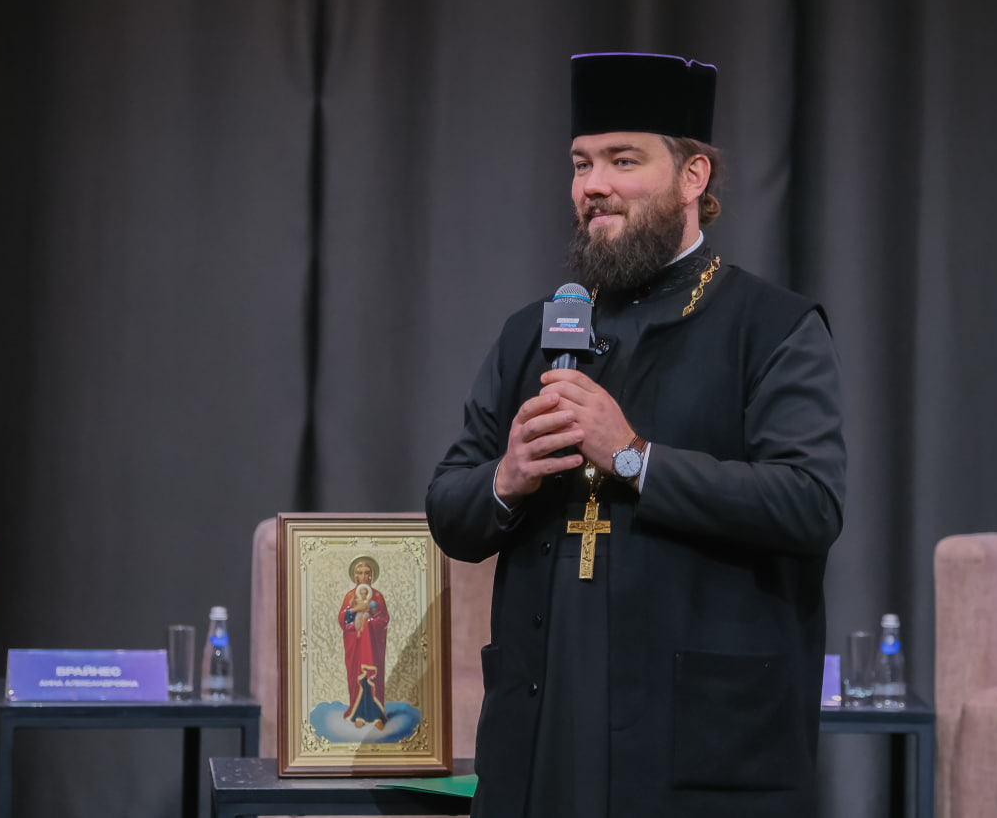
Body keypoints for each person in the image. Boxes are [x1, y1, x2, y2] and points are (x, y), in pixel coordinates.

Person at [426, 52, 847, 818]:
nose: (594, 184)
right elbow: (449, 507)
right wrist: (508, 475)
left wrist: (633, 456)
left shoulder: (772, 328)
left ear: (693, 176)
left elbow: (810, 502)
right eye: (581, 163)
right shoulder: (532, 333)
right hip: (543, 721)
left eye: (624, 160)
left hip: (696, 735)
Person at [339, 558, 390, 729]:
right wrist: (355, 613)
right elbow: (343, 620)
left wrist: (369, 622)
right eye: (360, 573)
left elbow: (383, 619)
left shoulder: (377, 597)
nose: (364, 576)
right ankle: (358, 714)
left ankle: (377, 716)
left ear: (371, 576)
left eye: (367, 573)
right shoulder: (350, 597)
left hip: (373, 645)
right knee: (357, 677)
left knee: (373, 676)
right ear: (355, 576)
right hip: (356, 645)